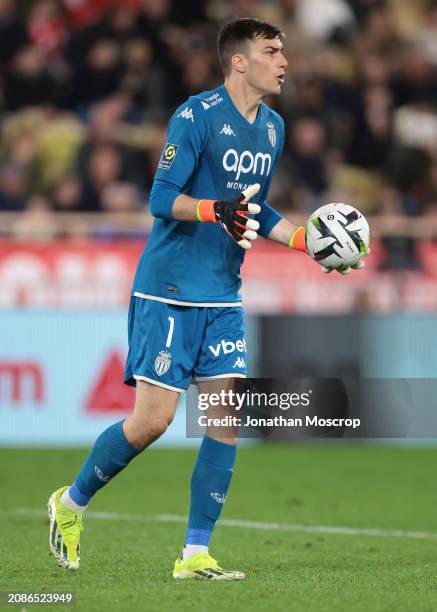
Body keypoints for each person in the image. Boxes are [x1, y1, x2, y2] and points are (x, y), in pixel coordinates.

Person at [47, 17, 363, 580]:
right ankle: (69, 505)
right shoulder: (194, 116)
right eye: (272, 51)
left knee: (224, 419)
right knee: (152, 423)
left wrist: (302, 241)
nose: (284, 61)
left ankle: (195, 555)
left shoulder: (273, 128)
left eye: (284, 50)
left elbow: (255, 209)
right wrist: (216, 210)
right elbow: (161, 197)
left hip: (223, 293)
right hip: (168, 288)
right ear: (239, 61)